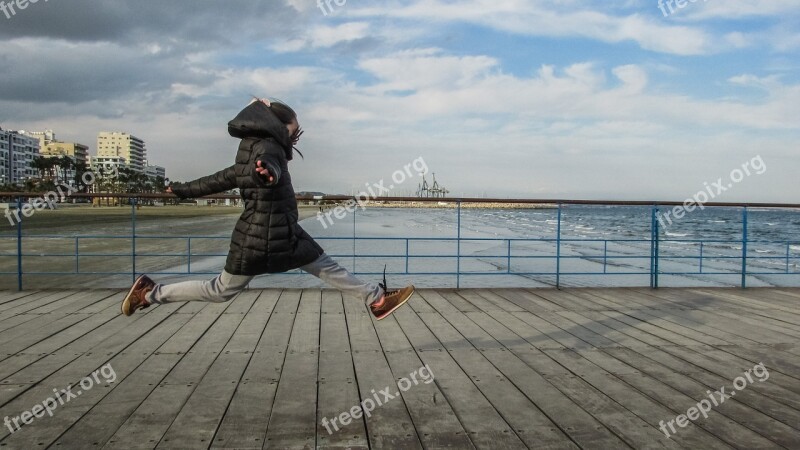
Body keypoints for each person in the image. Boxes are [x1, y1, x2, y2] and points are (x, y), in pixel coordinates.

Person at [120, 98, 414, 320]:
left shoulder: (251, 149)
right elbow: (269, 168)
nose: (294, 137)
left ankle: (376, 299)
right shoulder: (269, 149)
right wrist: (268, 174)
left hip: (274, 231)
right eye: (292, 130)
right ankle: (148, 293)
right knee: (220, 290)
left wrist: (182, 189)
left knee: (226, 289)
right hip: (266, 237)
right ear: (277, 127)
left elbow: (217, 180)